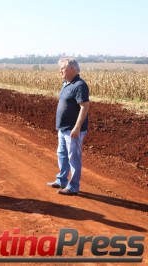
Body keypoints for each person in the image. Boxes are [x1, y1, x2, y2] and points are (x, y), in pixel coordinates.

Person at [47, 58, 90, 196]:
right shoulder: (66, 83)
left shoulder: (79, 85)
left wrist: (77, 128)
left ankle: (73, 187)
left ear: (71, 68)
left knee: (73, 158)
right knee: (62, 154)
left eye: (63, 68)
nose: (60, 70)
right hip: (63, 128)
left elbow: (84, 107)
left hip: (73, 130)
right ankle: (61, 180)